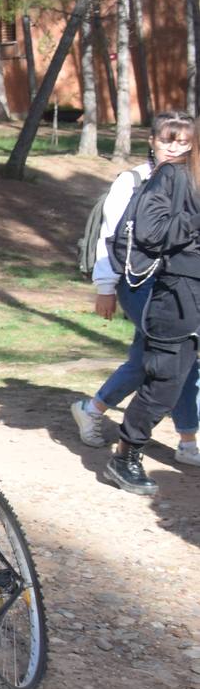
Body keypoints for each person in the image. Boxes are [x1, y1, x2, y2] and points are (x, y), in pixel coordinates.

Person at [72, 112, 198, 465]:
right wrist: (105, 287)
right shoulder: (133, 180)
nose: (175, 147)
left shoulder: (189, 180)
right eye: (167, 139)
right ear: (152, 141)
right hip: (137, 283)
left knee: (177, 357)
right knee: (164, 358)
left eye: (184, 141)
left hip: (174, 287)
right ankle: (94, 408)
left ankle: (187, 437)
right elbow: (108, 238)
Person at [103, 132, 200, 497]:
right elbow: (151, 233)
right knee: (165, 382)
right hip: (180, 293)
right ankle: (125, 456)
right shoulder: (172, 175)